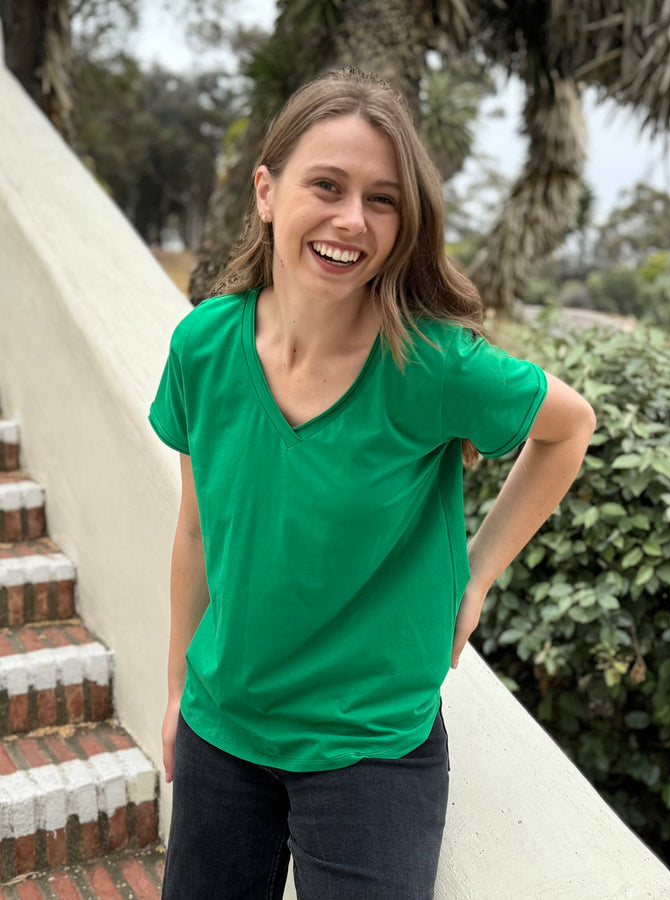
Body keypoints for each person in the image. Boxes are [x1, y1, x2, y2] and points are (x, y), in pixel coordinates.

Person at [149, 67, 596, 900]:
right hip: (222, 734)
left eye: (382, 200)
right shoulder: (202, 346)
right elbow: (198, 530)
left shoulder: (431, 363)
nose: (352, 219)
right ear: (266, 192)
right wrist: (178, 689)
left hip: (371, 755)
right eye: (327, 185)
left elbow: (569, 428)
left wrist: (476, 575)